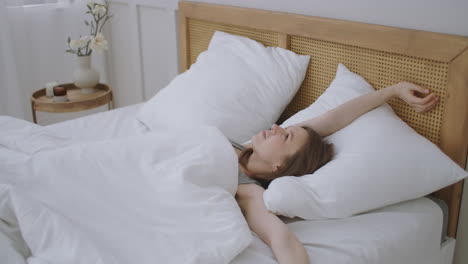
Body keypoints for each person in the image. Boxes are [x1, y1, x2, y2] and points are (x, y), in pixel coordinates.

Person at [233, 81, 439, 264]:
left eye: (286, 136)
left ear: (278, 166)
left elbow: (281, 238)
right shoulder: (248, 149)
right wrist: (393, 90)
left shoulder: (248, 190)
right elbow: (333, 119)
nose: (277, 127)